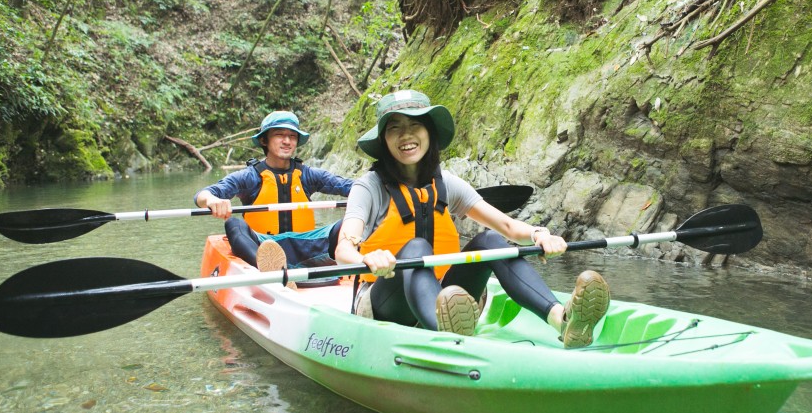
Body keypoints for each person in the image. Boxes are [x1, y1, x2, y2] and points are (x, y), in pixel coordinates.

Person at [332, 89, 610, 348]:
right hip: (387, 302)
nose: (406, 135)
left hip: (450, 302)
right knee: (416, 248)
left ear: (429, 133)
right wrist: (366, 259)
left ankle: (562, 320)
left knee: (490, 240)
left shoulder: (447, 184)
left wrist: (540, 235)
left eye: (415, 125)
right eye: (395, 128)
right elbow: (344, 249)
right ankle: (445, 332)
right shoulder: (368, 187)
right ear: (384, 140)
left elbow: (507, 226)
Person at [195, 111, 353, 273]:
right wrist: (212, 200)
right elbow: (203, 195)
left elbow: (351, 187)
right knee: (233, 224)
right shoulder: (250, 177)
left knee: (350, 223)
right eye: (279, 135)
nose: (287, 141)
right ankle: (268, 268)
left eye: (292, 136)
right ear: (264, 140)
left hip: (308, 244)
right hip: (263, 245)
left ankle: (349, 261)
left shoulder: (308, 175)